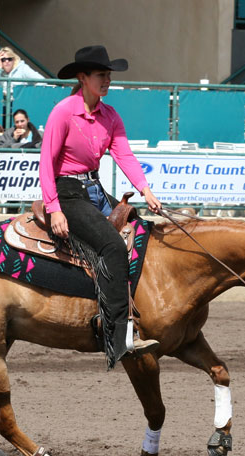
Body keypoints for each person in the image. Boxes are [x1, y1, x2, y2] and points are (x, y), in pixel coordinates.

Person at [39, 45, 162, 368]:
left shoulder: (110, 116)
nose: (108, 80)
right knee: (111, 246)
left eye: (109, 75)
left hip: (94, 188)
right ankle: (120, 334)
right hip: (67, 190)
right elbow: (46, 163)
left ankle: (137, 310)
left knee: (142, 234)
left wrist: (145, 190)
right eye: (101, 75)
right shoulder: (63, 112)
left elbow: (124, 155)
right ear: (83, 78)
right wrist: (54, 208)